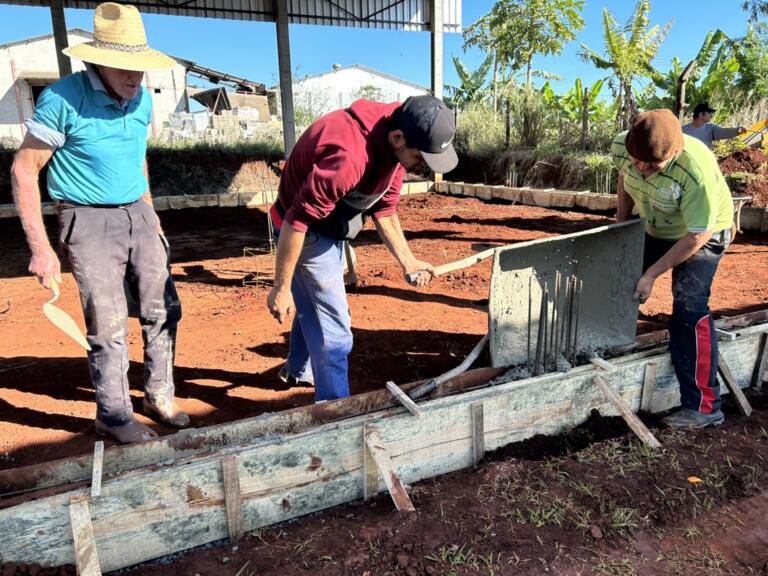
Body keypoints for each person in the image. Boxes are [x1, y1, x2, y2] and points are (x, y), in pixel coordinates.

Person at [11, 2, 189, 443]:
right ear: (99, 61)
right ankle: (113, 414)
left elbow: (137, 159)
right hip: (86, 219)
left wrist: (152, 217)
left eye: (140, 69)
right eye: (126, 68)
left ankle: (159, 395)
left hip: (139, 212)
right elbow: (23, 168)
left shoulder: (141, 98)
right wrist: (41, 249)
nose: (136, 77)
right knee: (108, 325)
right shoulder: (62, 99)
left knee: (163, 309)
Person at [267, 95, 458, 401]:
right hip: (304, 231)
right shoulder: (349, 157)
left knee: (314, 302)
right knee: (335, 334)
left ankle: (297, 369)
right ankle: (334, 414)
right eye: (421, 158)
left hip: (329, 223)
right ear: (397, 138)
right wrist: (281, 287)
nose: (422, 166)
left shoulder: (397, 140)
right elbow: (296, 221)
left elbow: (385, 208)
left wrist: (408, 261)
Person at [612, 109, 734, 428]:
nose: (642, 169)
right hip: (656, 225)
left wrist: (652, 273)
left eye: (652, 166)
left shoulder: (695, 171)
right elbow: (624, 175)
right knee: (619, 279)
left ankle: (704, 407)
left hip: (701, 233)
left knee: (688, 304)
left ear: (674, 154)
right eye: (637, 160)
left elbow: (697, 234)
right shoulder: (625, 149)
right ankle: (608, 349)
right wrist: (620, 225)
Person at [682, 102, 746, 149]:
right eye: (709, 113)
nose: (710, 115)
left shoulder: (711, 129)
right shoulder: (682, 130)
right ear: (701, 114)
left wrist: (738, 130)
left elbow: (724, 132)